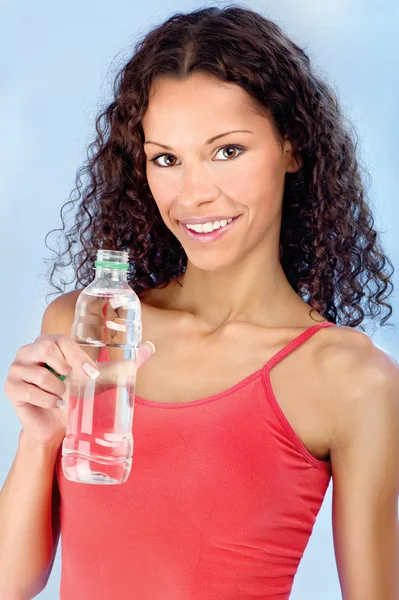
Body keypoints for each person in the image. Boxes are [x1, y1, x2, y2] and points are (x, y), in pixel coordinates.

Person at [1, 5, 398, 600]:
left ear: (292, 146)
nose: (195, 194)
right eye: (167, 159)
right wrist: (40, 437)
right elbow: (11, 584)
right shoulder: (89, 327)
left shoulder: (348, 378)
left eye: (228, 151)